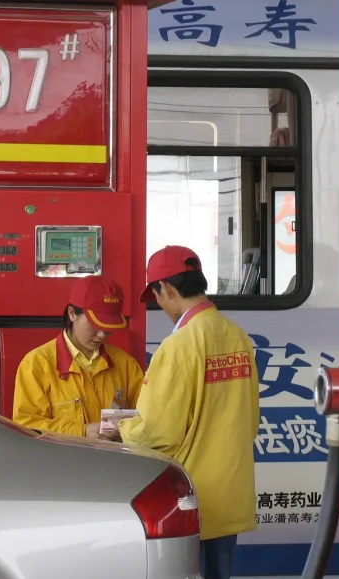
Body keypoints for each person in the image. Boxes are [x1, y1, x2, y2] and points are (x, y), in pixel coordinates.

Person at [118, 245, 259, 579]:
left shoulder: (178, 346)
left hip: (191, 500)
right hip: (230, 493)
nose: (160, 306)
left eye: (156, 296)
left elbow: (157, 432)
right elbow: (250, 421)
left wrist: (121, 429)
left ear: (165, 287)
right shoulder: (238, 338)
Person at [11, 274, 144, 439]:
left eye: (108, 327)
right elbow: (27, 427)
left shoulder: (125, 365)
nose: (102, 335)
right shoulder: (37, 365)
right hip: (63, 463)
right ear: (72, 314)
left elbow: (146, 415)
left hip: (114, 462)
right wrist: (82, 432)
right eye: (95, 325)